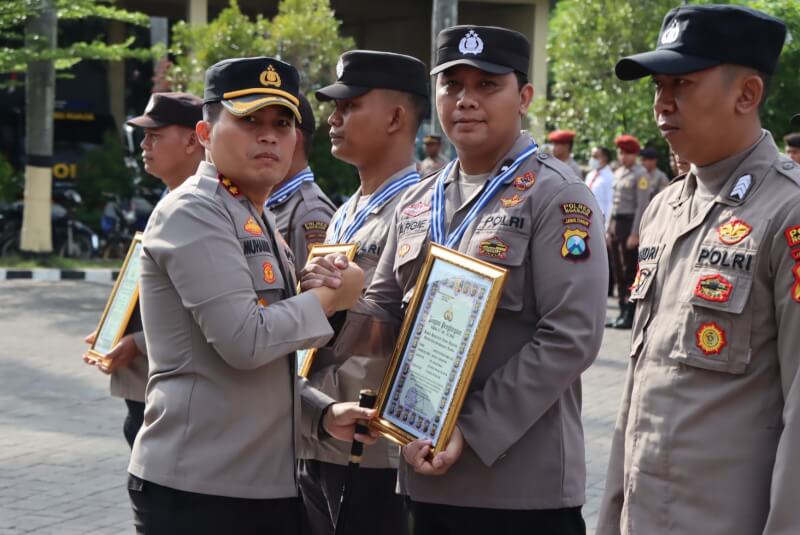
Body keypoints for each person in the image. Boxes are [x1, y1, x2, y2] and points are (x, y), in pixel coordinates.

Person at [303, 25, 607, 535]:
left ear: (525, 96)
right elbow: (382, 312)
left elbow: (571, 336)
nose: (466, 101)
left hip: (517, 486)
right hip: (423, 471)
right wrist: (334, 297)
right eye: (453, 86)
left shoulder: (556, 196)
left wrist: (472, 429)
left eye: (487, 85)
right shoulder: (420, 200)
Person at [126, 56, 375, 535]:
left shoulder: (250, 211)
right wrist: (329, 298)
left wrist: (321, 414)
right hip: (200, 490)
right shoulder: (193, 211)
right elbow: (246, 342)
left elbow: (264, 366)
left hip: (250, 487)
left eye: (282, 123)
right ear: (204, 133)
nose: (269, 136)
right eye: (248, 121)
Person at [597, 5, 800, 535]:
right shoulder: (665, 207)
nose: (662, 103)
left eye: (681, 83)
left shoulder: (788, 212)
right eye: (657, 86)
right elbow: (639, 389)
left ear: (747, 95)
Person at [298, 49, 429, 535]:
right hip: (322, 424)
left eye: (350, 105)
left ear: (396, 116)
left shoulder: (421, 210)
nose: (334, 118)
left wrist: (349, 300)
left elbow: (424, 328)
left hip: (372, 445)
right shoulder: (346, 209)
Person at [81, 91, 204, 448]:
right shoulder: (171, 199)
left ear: (193, 140)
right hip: (150, 383)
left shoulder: (201, 208)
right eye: (144, 136)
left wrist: (138, 342)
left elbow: (210, 309)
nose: (144, 145)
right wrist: (113, 329)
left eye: (155, 135)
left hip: (179, 387)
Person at [265, 94, 337, 273]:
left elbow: (313, 297)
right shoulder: (278, 204)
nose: (262, 139)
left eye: (280, 125)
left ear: (294, 139)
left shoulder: (309, 213)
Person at [605, 134, 648, 329]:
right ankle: (621, 310)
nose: (623, 157)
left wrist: (635, 233)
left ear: (635, 154)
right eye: (621, 153)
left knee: (629, 269)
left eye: (627, 153)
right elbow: (612, 203)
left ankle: (630, 313)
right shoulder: (618, 172)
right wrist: (608, 229)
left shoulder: (641, 175)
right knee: (617, 269)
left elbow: (641, 206)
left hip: (630, 223)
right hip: (616, 225)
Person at [586, 146, 616, 296]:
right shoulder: (591, 175)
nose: (592, 159)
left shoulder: (609, 177)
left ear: (604, 158)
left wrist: (607, 227)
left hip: (601, 223)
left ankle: (605, 290)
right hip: (587, 222)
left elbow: (610, 203)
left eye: (595, 156)